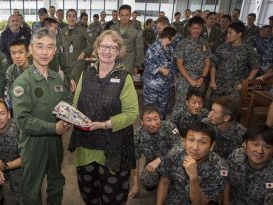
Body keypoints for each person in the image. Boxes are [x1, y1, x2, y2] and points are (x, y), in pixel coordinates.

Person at [68, 30, 139, 204]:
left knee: (111, 198)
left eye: (113, 47)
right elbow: (76, 105)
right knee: (89, 195)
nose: (107, 51)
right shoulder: (86, 74)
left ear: (119, 51)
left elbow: (132, 114)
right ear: (97, 49)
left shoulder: (124, 78)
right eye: (104, 46)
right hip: (85, 146)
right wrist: (67, 115)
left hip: (113, 149)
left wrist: (104, 124)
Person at [11, 28, 70, 205]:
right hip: (32, 143)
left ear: (55, 50)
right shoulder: (23, 82)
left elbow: (65, 105)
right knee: (32, 188)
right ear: (30, 49)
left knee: (56, 181)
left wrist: (69, 117)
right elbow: (23, 121)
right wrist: (54, 127)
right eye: (40, 46)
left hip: (55, 142)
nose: (45, 52)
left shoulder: (56, 78)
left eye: (50, 47)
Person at [157, 122, 228, 204]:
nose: (195, 148)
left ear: (212, 146)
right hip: (177, 197)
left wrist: (194, 177)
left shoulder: (220, 168)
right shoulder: (175, 154)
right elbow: (165, 181)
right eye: (191, 140)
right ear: (184, 141)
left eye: (202, 142)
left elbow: (201, 203)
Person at [131, 105, 181, 195]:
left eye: (156, 119)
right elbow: (134, 159)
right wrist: (135, 184)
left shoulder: (170, 127)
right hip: (152, 163)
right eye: (149, 120)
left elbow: (179, 148)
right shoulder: (137, 135)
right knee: (146, 181)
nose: (153, 124)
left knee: (179, 183)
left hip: (172, 161)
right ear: (141, 121)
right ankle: (160, 177)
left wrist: (160, 159)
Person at [223, 124, 273, 205]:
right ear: (245, 144)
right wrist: (226, 202)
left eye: (267, 147)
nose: (260, 151)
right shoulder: (236, 155)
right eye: (255, 145)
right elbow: (225, 178)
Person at [210, 22, 260, 99]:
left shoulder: (248, 49)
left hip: (234, 89)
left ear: (239, 34)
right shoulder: (222, 47)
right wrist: (212, 81)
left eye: (230, 33)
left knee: (230, 110)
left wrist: (245, 83)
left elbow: (255, 67)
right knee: (214, 107)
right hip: (218, 86)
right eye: (227, 33)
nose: (227, 35)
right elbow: (213, 64)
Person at [173, 16, 211, 110]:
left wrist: (202, 78)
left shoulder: (204, 43)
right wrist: (190, 80)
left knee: (196, 106)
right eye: (193, 28)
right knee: (181, 107)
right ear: (189, 28)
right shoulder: (183, 43)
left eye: (198, 28)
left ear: (202, 29)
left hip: (199, 81)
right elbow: (179, 64)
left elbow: (207, 62)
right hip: (185, 81)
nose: (196, 31)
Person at [143, 27, 177, 118]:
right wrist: (160, 69)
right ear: (169, 36)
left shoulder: (170, 48)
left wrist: (174, 79)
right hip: (153, 85)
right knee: (150, 108)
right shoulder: (154, 47)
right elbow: (147, 63)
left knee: (163, 108)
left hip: (166, 85)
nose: (175, 39)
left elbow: (172, 64)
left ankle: (161, 125)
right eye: (174, 36)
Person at [59, 9, 93, 83]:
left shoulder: (83, 29)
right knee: (66, 85)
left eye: (74, 16)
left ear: (76, 18)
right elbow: (60, 45)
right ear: (66, 17)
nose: (71, 19)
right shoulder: (63, 31)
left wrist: (84, 52)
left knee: (75, 86)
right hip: (66, 65)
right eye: (69, 16)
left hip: (78, 63)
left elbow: (93, 41)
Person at [110, 5, 144, 74]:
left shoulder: (136, 31)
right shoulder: (112, 29)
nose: (124, 18)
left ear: (130, 15)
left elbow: (139, 49)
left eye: (127, 15)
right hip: (112, 65)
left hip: (128, 66)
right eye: (122, 15)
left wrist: (137, 66)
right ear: (118, 15)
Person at [4, 40, 30, 112]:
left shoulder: (37, 67)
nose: (17, 56)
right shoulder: (10, 71)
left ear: (28, 53)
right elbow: (11, 94)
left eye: (21, 52)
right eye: (13, 53)